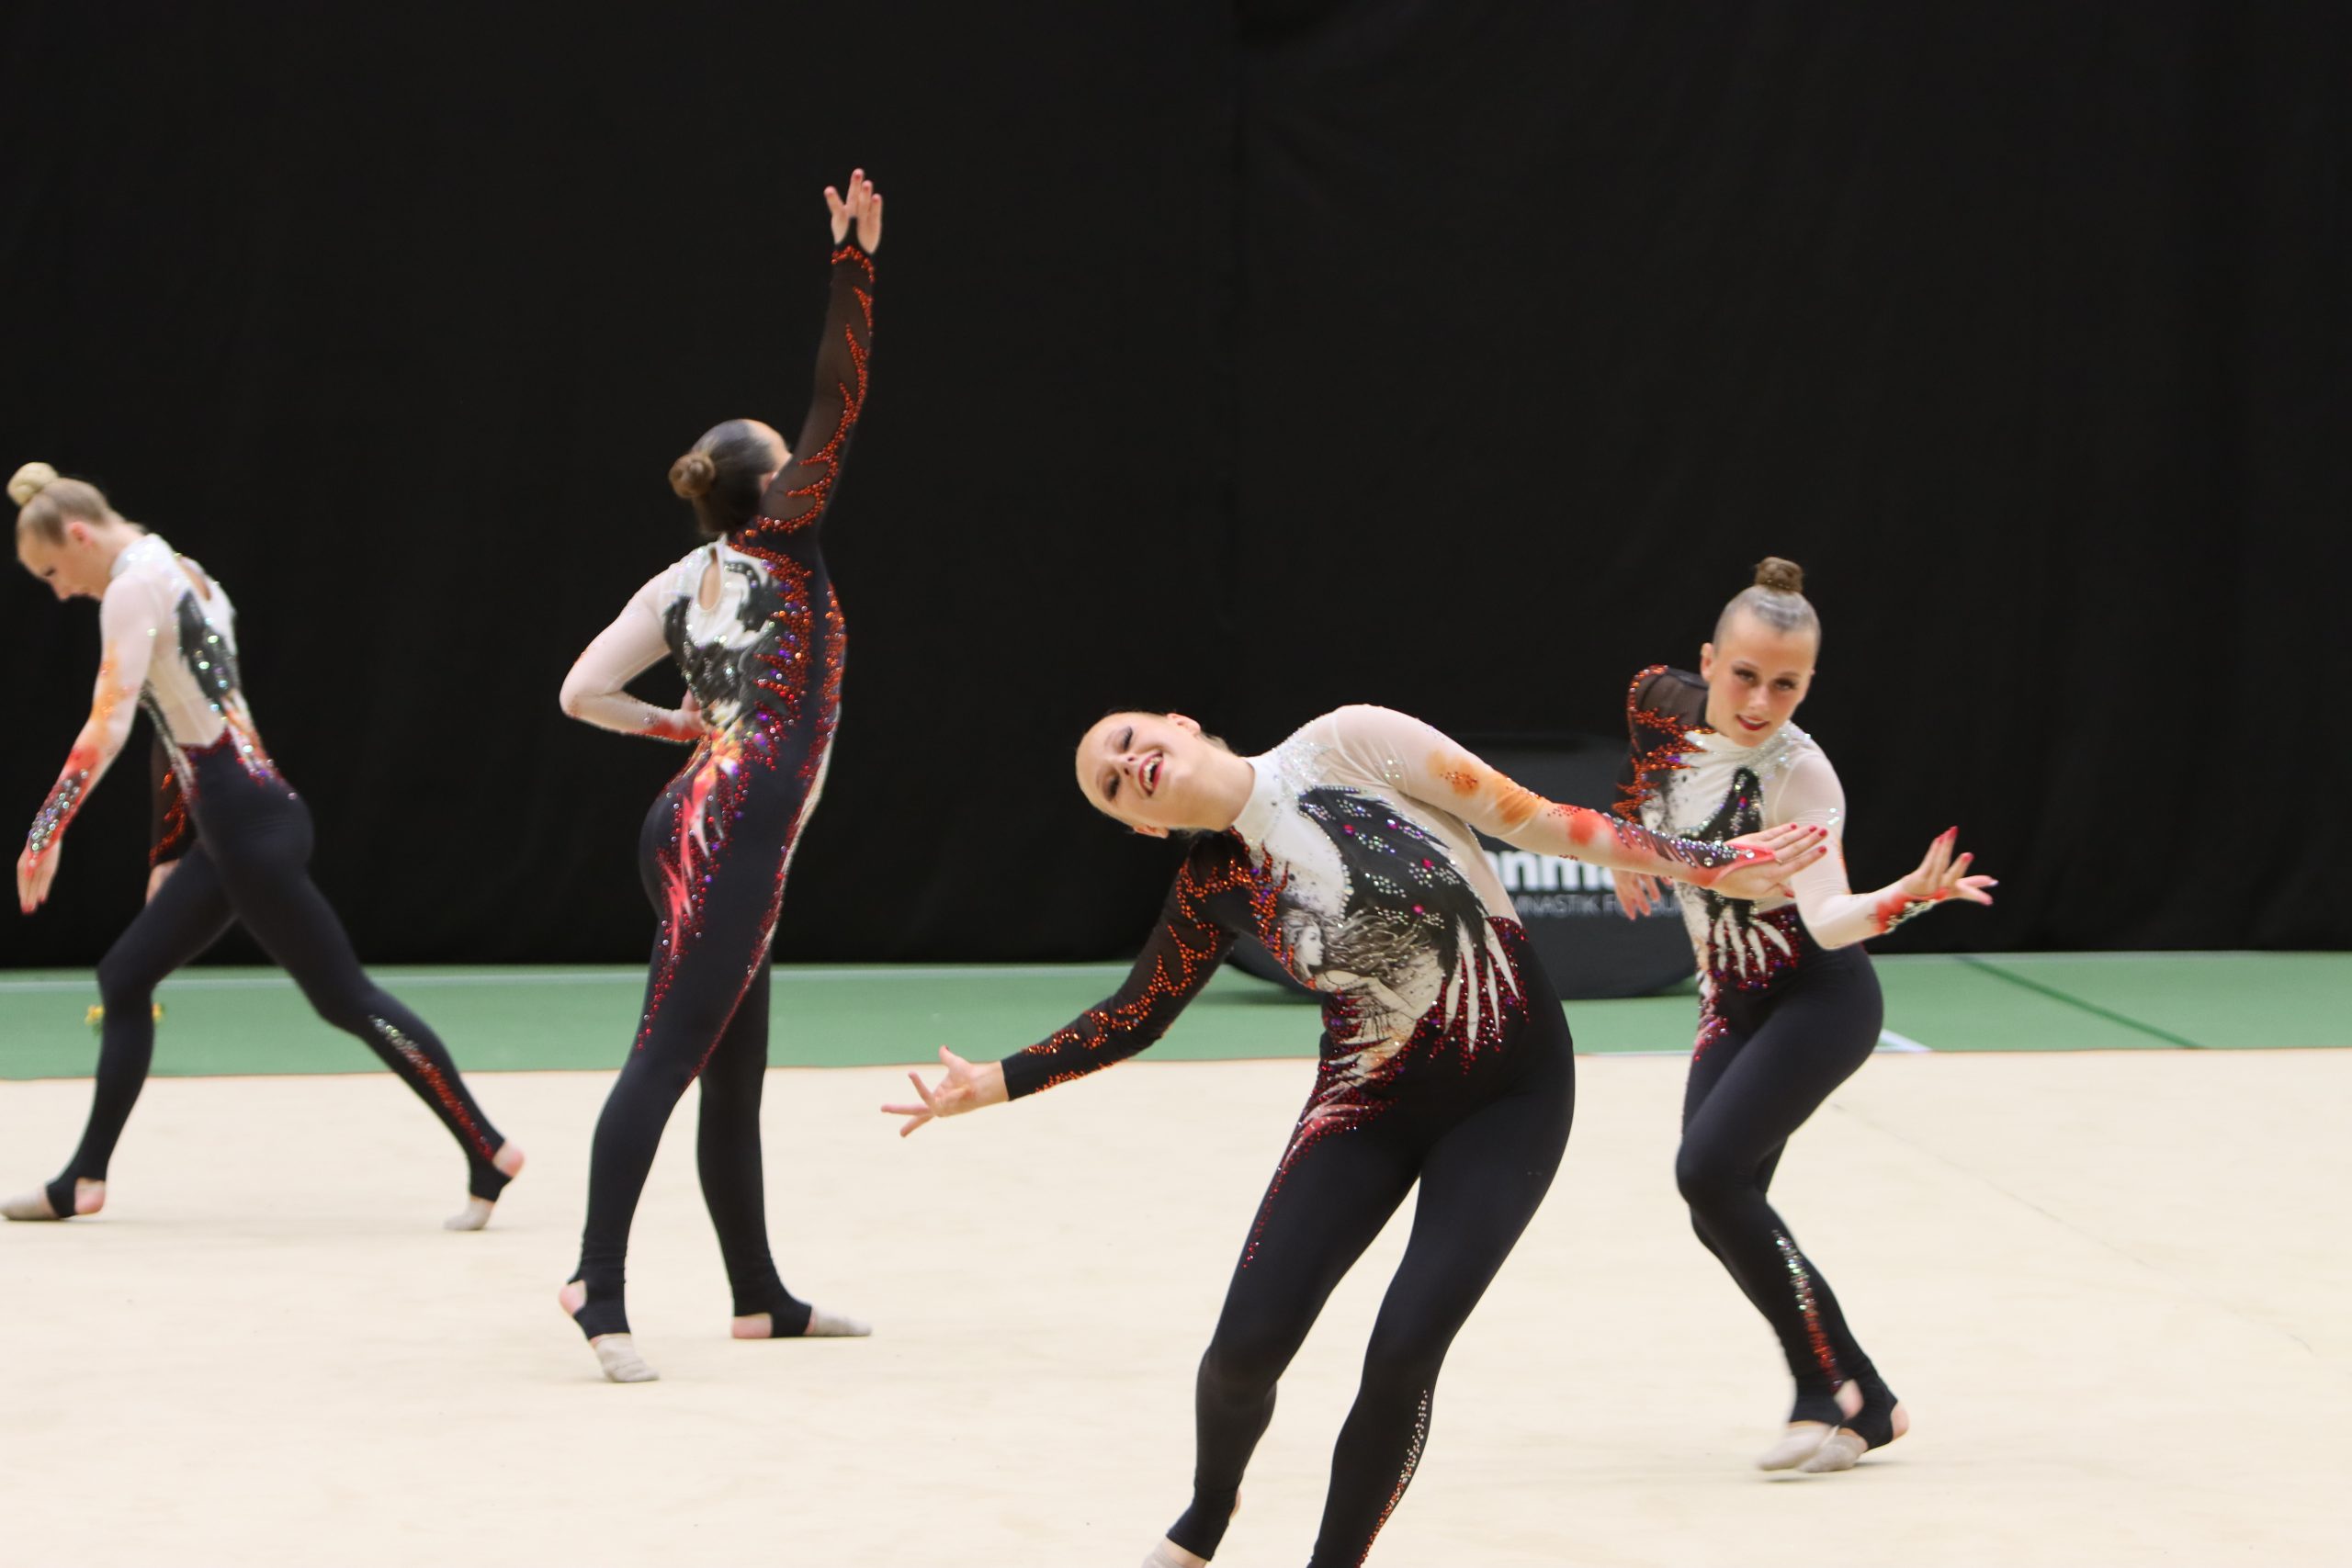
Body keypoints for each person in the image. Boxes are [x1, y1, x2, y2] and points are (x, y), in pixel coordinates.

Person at [886, 703, 1829, 1566]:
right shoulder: (1213, 883)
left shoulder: (1350, 743)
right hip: (1365, 1106)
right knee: (1244, 1352)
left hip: (1511, 1097)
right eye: (1111, 782)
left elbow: (1534, 818)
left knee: (1404, 1352)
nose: (1129, 764)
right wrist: (994, 1082)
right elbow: (1136, 1013)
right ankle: (1208, 1513)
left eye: (1130, 740)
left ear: (1182, 723)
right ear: (1142, 825)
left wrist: (1706, 862)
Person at [552, 170, 883, 1383]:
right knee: (666, 1057)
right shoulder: (785, 541)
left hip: (698, 817)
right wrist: (854, 262)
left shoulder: (678, 582)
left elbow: (580, 691)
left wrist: (676, 728)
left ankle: (759, 1296)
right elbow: (839, 392)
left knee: (730, 1072)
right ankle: (596, 1284)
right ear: (770, 487)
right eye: (788, 462)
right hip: (729, 830)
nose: (803, 466)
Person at [7, 462, 522, 1228]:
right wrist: (167, 853)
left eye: (52, 572)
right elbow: (173, 727)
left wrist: (45, 829)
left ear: (77, 535)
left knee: (346, 998)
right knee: (125, 974)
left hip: (246, 828)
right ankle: (83, 1178)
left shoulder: (130, 589)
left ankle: (486, 1146)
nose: (59, 591)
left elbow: (108, 724)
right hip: (238, 822)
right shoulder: (187, 573)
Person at [1610, 556, 1995, 1473]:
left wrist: (1907, 896)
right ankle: (1867, 1399)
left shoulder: (1801, 776)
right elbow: (1650, 778)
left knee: (1708, 1172)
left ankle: (1826, 1389)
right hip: (1730, 1001)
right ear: (1708, 661)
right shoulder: (1655, 701)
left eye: (1786, 685)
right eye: (1744, 675)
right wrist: (1629, 841)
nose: (1759, 702)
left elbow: (1827, 920)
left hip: (1819, 999)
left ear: (1811, 682)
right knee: (1715, 1204)